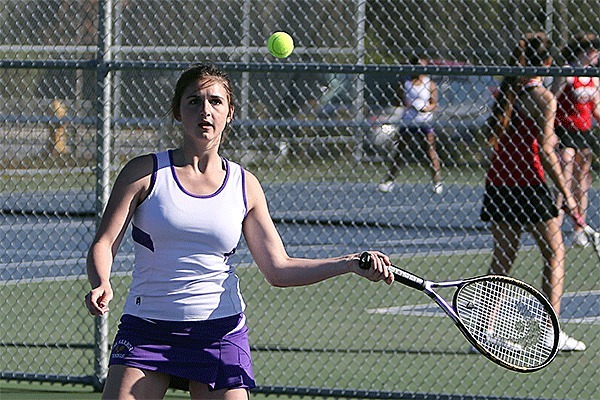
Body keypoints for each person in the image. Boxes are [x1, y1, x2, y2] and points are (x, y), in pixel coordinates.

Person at [84, 64, 394, 400]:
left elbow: (278, 268)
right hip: (148, 329)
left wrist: (347, 263)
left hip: (220, 331)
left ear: (230, 113)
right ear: (178, 112)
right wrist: (101, 281)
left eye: (215, 102)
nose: (205, 110)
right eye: (194, 101)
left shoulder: (244, 185)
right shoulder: (144, 173)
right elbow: (104, 243)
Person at [480, 33, 586, 351]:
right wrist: (566, 195)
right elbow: (547, 151)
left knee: (503, 258)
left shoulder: (509, 89)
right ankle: (549, 332)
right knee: (555, 254)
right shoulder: (542, 96)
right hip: (528, 184)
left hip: (498, 182)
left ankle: (481, 330)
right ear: (549, 63)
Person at [551, 32, 600, 247]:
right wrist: (549, 130)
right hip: (564, 129)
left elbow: (596, 106)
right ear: (586, 52)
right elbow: (552, 99)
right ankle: (555, 225)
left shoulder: (593, 75)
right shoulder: (568, 73)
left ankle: (579, 228)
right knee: (565, 174)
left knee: (582, 180)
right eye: (595, 51)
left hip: (584, 131)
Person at [378, 56, 443, 194]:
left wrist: (425, 108)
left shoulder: (429, 83)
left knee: (430, 151)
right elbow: (397, 99)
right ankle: (389, 180)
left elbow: (434, 104)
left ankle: (437, 182)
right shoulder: (405, 82)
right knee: (400, 151)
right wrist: (407, 104)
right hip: (408, 121)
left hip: (424, 122)